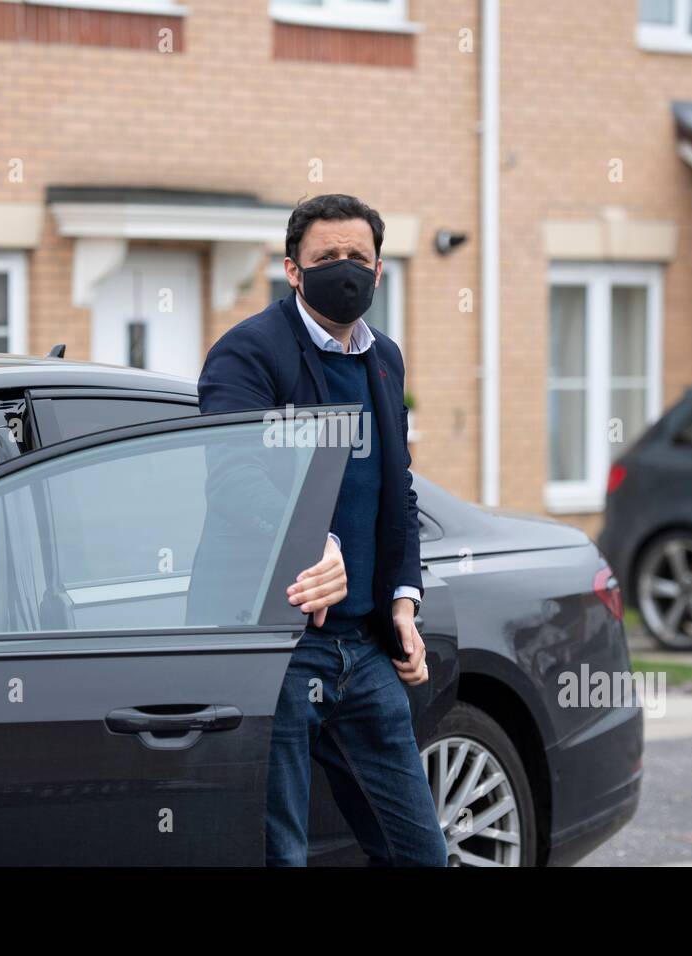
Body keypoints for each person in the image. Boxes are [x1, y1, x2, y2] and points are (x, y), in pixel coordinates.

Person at [198, 193, 447, 867]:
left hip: (364, 651)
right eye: (327, 257)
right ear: (292, 270)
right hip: (274, 647)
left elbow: (397, 493)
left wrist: (403, 601)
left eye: (358, 258)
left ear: (379, 270)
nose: (345, 269)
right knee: (280, 853)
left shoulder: (383, 358)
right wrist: (319, 544)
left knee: (418, 851)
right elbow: (233, 479)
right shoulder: (248, 354)